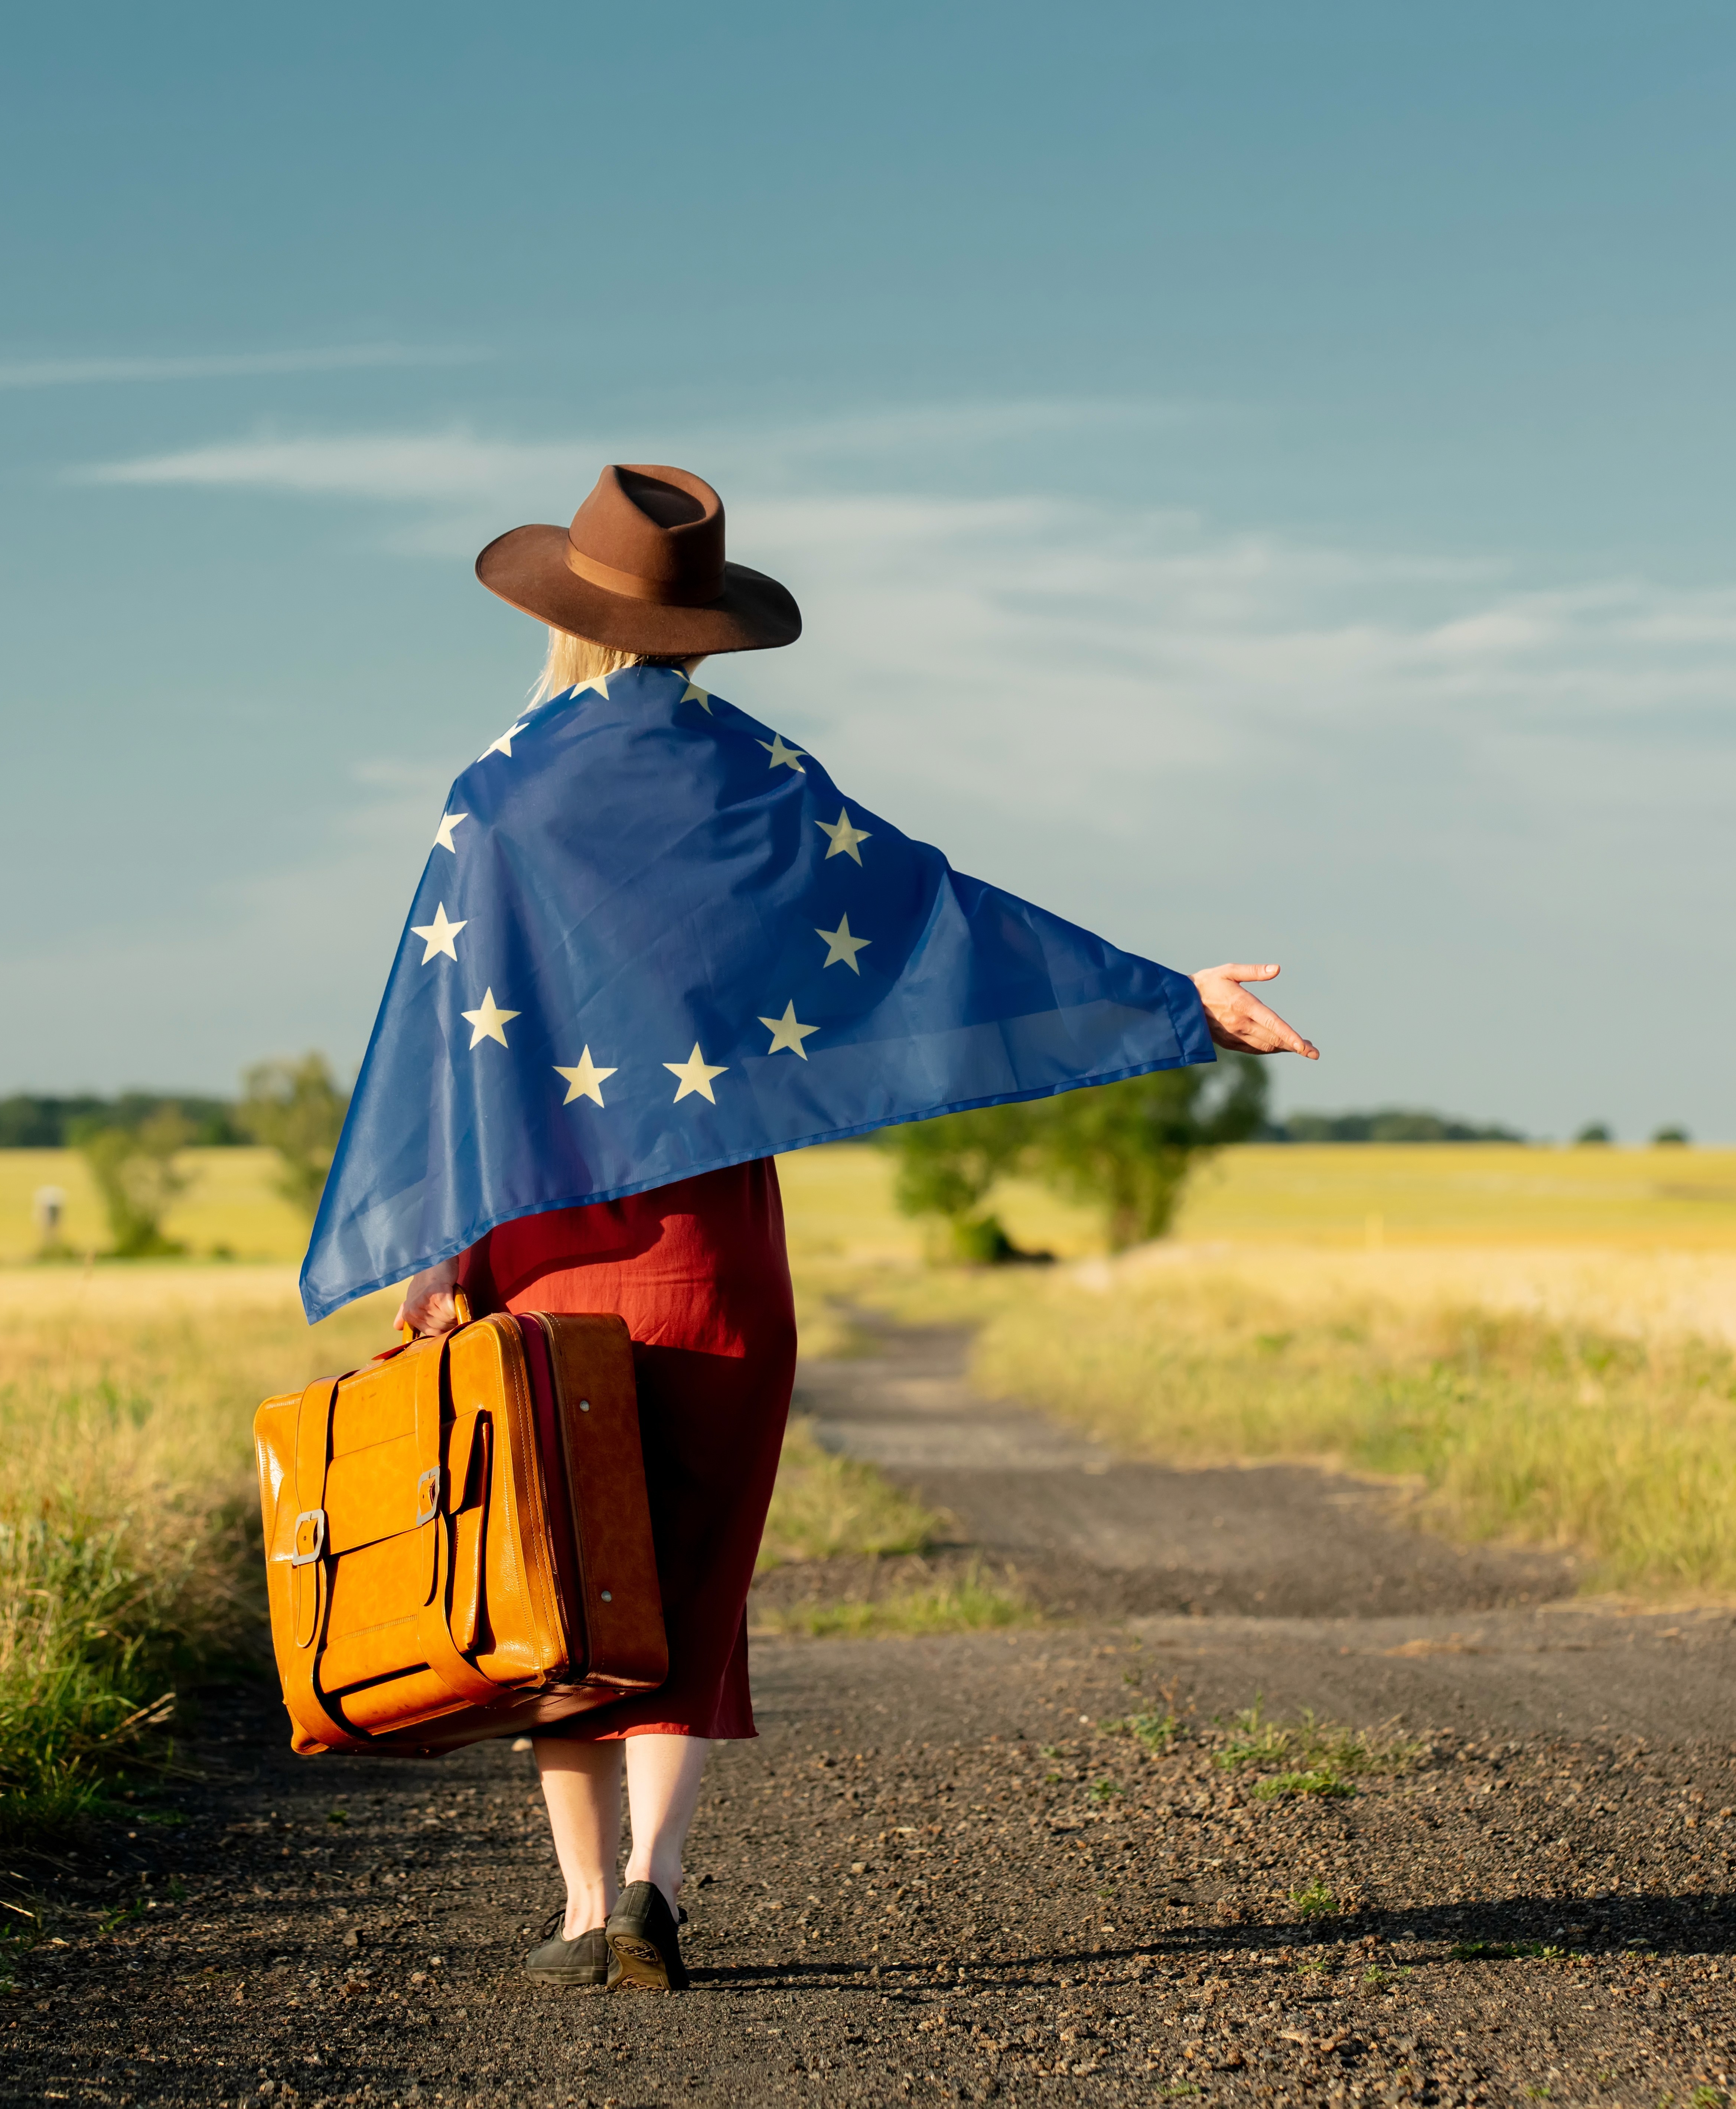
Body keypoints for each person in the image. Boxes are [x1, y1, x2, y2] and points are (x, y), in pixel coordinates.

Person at [321, 463, 1319, 1993]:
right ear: (703, 628)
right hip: (713, 1253)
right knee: (689, 1579)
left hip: (541, 1242)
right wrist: (1175, 997)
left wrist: (445, 1256)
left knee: (557, 1572)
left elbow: (456, 1048)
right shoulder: (762, 780)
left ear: (565, 614)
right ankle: (654, 1891)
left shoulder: (499, 792)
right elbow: (940, 921)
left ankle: (586, 1914)